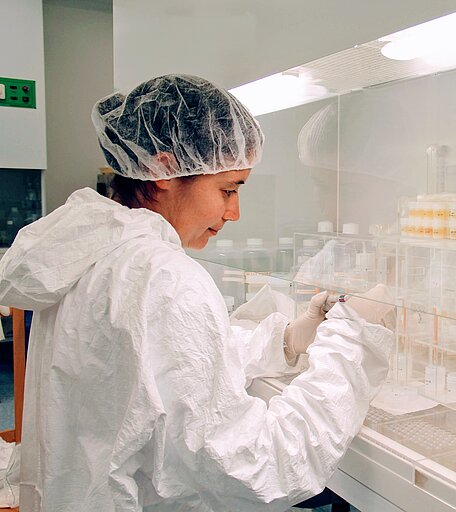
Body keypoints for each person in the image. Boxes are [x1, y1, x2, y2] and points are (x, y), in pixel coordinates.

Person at [0, 74, 395, 511]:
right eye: (228, 189)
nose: (235, 212)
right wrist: (351, 339)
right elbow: (258, 469)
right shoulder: (165, 278)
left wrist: (284, 341)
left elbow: (159, 371)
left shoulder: (95, 253)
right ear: (165, 170)